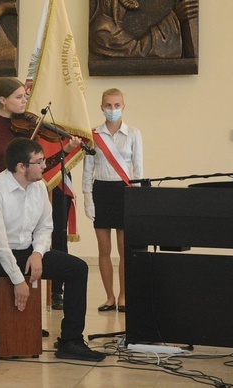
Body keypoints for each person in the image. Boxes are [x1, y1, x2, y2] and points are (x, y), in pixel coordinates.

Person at [0, 138, 105, 368]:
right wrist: (19, 279)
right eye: (39, 161)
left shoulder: (39, 186)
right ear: (21, 167)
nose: (44, 166)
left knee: (77, 269)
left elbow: (44, 226)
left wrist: (39, 253)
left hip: (25, 249)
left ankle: (70, 341)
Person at [0, 77, 80, 310]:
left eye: (25, 96)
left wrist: (64, 151)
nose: (24, 100)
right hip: (1, 193)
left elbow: (39, 166)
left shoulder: (28, 127)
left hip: (26, 190)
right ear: (3, 100)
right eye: (19, 97)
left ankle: (27, 323)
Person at [82, 88, 143, 313]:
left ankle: (124, 296)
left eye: (117, 105)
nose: (113, 110)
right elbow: (88, 169)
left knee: (124, 249)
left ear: (123, 107)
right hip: (101, 191)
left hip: (125, 191)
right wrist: (88, 198)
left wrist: (138, 197)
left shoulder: (134, 133)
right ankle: (109, 297)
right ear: (101, 107)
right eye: (108, 105)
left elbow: (139, 168)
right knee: (104, 249)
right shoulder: (93, 135)